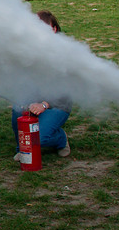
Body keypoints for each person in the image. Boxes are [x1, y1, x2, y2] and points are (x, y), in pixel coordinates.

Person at [11, 10, 73, 161]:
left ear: (54, 29)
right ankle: (25, 147)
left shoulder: (66, 53)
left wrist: (44, 105)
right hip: (32, 100)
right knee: (19, 117)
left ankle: (61, 139)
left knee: (39, 138)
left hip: (56, 104)